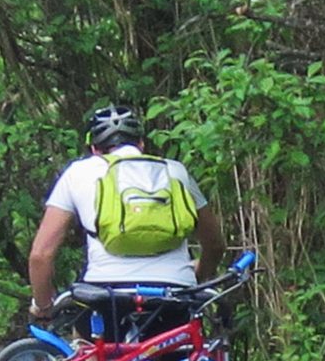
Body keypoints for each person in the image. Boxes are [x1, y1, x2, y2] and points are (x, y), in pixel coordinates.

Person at [28, 104, 225, 322]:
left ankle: (88, 345)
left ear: (94, 149)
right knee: (183, 341)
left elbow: (41, 255)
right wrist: (197, 278)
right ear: (141, 143)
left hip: (106, 294)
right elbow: (215, 244)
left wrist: (43, 306)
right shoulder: (176, 171)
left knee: (86, 334)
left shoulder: (78, 172)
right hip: (175, 293)